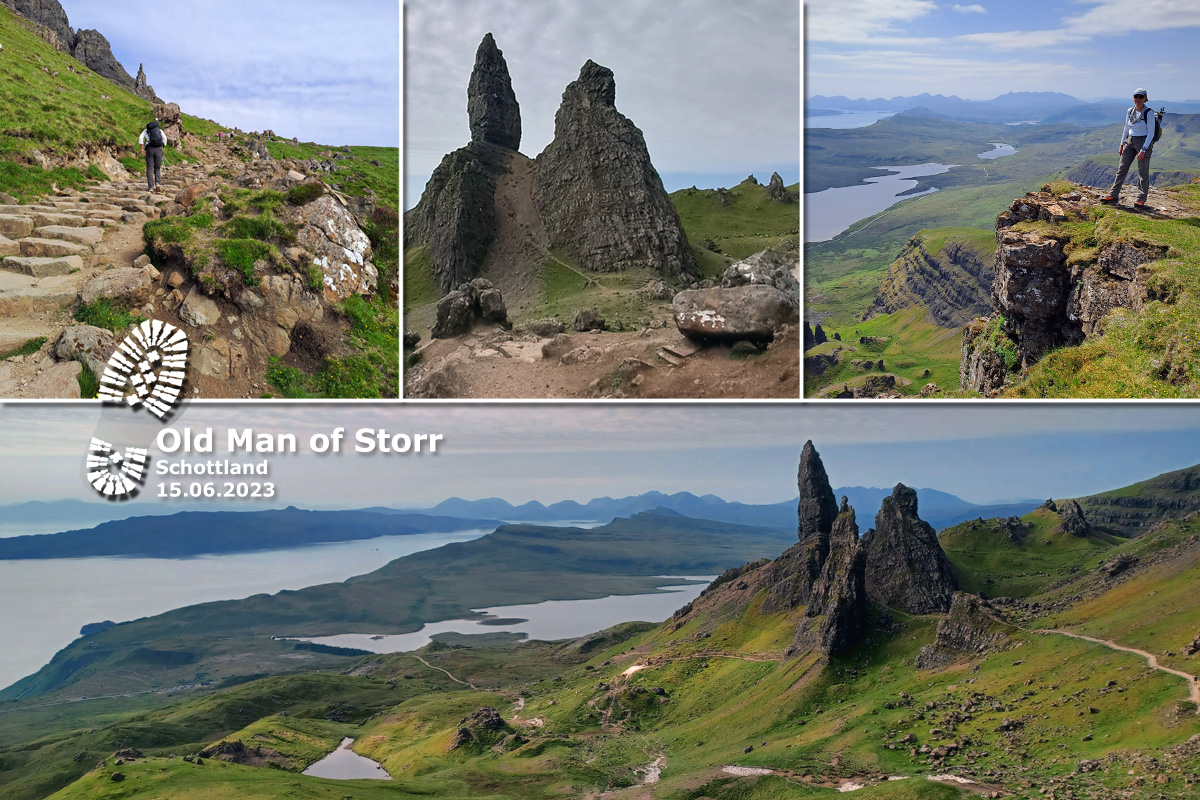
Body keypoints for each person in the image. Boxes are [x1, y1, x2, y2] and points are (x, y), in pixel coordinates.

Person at [1101, 88, 1159, 209]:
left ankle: (1141, 199)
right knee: (1122, 168)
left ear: (1145, 99)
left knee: (1143, 172)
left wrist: (1143, 150)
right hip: (1130, 141)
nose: (1137, 99)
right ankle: (1113, 194)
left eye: (1140, 97)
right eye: (1135, 97)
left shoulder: (1148, 113)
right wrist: (1122, 144)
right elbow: (1126, 128)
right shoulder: (1130, 111)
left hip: (1143, 142)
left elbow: (1151, 133)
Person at [138, 119, 166, 192]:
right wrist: (162, 146)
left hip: (150, 149)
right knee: (157, 168)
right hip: (158, 149)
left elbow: (140, 138)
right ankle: (157, 184)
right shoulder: (159, 130)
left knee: (149, 168)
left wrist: (142, 149)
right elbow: (164, 138)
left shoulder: (146, 130)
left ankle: (151, 187)